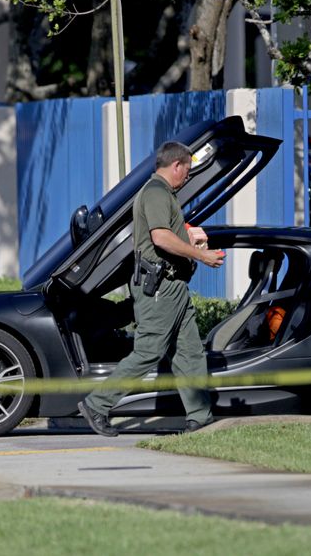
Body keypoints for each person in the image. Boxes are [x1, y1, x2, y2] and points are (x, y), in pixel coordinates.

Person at [78, 141, 225, 437]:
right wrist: (201, 255)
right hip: (160, 288)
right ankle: (97, 405)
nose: (188, 176)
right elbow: (160, 238)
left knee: (189, 353)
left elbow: (169, 233)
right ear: (177, 165)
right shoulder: (156, 192)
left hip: (174, 288)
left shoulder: (161, 193)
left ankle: (200, 416)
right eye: (188, 170)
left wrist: (190, 236)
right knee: (149, 351)